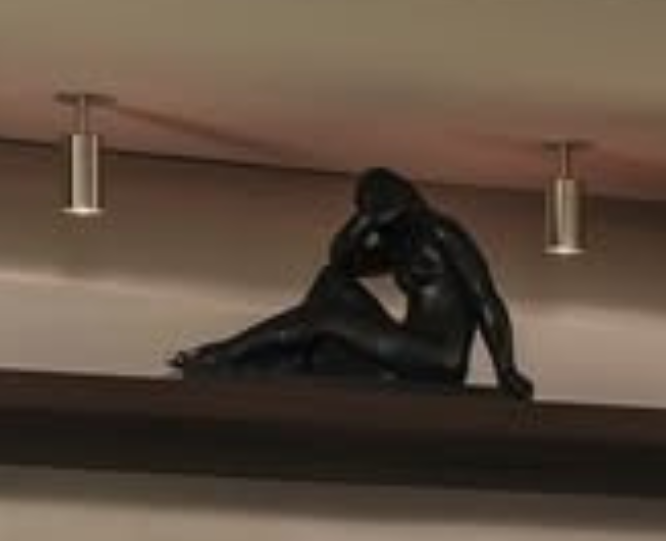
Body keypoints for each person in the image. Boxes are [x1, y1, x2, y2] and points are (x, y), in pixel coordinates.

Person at [170, 168, 533, 397]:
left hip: (438, 357)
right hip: (409, 345)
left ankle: (226, 354)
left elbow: (486, 299)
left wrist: (507, 370)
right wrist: (363, 222)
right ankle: (275, 364)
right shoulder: (398, 243)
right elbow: (341, 264)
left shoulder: (440, 232)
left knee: (327, 318)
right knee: (331, 286)